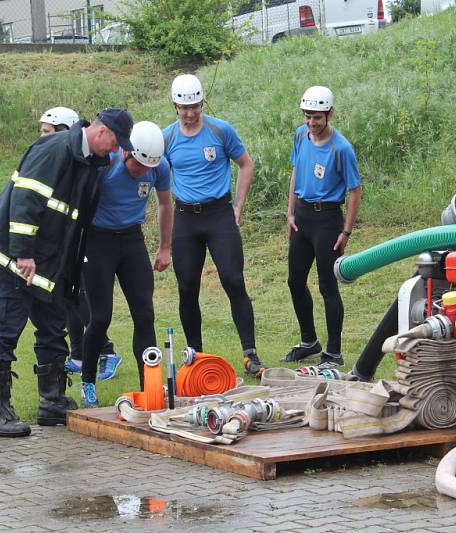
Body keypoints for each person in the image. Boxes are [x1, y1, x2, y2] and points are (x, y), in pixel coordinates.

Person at [0, 108, 134, 437]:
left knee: (53, 328)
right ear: (101, 132)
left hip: (47, 263)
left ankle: (51, 400)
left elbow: (71, 218)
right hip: (16, 258)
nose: (115, 151)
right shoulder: (54, 149)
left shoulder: (88, 162)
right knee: (5, 331)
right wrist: (23, 253)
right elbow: (25, 199)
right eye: (115, 143)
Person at [163, 74, 267, 378]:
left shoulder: (221, 130)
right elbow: (153, 174)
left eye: (195, 106)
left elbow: (246, 164)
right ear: (175, 106)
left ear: (201, 103)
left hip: (219, 215)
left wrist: (238, 206)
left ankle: (250, 353)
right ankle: (195, 354)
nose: (190, 113)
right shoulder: (166, 137)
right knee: (187, 288)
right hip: (185, 219)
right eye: (184, 107)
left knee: (233, 281)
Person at [79, 121, 173, 407]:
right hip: (98, 242)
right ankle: (88, 382)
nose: (143, 173)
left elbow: (165, 204)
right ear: (126, 152)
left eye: (148, 169)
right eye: (138, 167)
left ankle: (150, 386)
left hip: (131, 241)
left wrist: (165, 247)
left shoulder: (159, 166)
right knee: (101, 316)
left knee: (144, 314)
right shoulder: (104, 163)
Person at [37, 107, 122, 381]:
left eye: (48, 131)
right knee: (67, 296)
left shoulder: (90, 162)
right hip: (64, 240)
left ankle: (106, 350)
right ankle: (77, 353)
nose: (42, 136)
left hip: (86, 239)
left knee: (81, 295)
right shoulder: (55, 156)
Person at [282, 86, 362, 370]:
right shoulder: (300, 136)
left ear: (329, 114)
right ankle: (308, 342)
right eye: (307, 116)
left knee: (328, 286)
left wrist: (346, 231)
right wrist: (290, 212)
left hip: (327, 220)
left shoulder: (341, 148)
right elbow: (295, 172)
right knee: (295, 281)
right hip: (301, 217)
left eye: (317, 117)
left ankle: (334, 352)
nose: (311, 123)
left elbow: (355, 190)